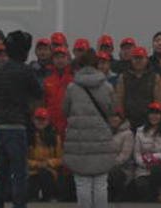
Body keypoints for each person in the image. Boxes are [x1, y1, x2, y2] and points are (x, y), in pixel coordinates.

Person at [0, 30, 44, 208]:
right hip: (17, 126)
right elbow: (38, 93)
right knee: (19, 173)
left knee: (1, 172)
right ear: (24, 52)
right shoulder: (25, 71)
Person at [62, 49, 117, 208]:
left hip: (78, 139)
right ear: (97, 65)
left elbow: (65, 110)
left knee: (82, 182)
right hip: (101, 137)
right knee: (100, 182)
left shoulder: (72, 87)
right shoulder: (106, 86)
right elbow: (112, 110)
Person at [114, 46, 161, 130]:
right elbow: (119, 99)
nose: (138, 61)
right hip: (128, 121)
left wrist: (157, 120)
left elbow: (159, 100)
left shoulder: (155, 77)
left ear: (146, 59)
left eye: (141, 58)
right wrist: (121, 117)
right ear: (131, 60)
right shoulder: (123, 77)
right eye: (135, 58)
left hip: (149, 121)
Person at [132, 102, 161, 201]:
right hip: (144, 169)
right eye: (151, 113)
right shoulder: (139, 131)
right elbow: (137, 154)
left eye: (157, 114)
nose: (154, 116)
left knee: (157, 172)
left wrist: (154, 157)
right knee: (142, 186)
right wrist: (145, 163)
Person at [27, 107, 64, 201]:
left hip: (50, 172)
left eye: (43, 119)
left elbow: (61, 159)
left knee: (45, 176)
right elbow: (22, 159)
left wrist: (49, 163)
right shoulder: (27, 137)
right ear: (33, 120)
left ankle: (49, 198)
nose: (40, 122)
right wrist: (37, 164)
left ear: (48, 121)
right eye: (38, 119)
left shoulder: (55, 137)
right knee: (32, 183)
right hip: (32, 172)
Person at [43, 46, 74, 135]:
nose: (60, 60)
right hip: (50, 126)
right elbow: (43, 103)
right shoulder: (47, 81)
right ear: (52, 60)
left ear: (68, 59)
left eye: (63, 57)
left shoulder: (74, 80)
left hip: (69, 126)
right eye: (57, 57)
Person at [107, 112, 134, 201]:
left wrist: (108, 164)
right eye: (112, 116)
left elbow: (125, 156)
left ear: (121, 119)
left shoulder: (128, 134)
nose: (114, 119)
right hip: (104, 166)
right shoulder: (104, 132)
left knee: (113, 172)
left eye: (116, 117)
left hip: (122, 169)